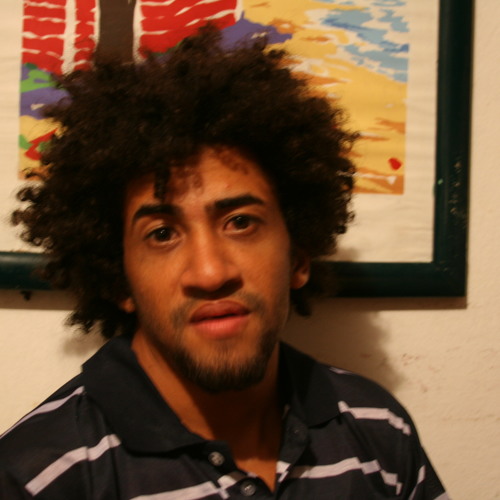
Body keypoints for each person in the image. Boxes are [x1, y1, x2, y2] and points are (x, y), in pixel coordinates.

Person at [0, 26, 448, 499]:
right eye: (162, 234)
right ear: (119, 280)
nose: (210, 273)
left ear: (298, 257)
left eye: (241, 223)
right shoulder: (37, 477)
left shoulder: (378, 432)